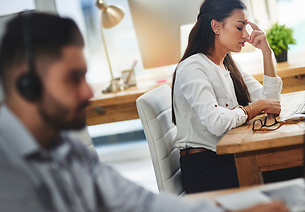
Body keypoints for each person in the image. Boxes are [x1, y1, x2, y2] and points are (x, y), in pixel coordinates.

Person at [0, 11, 289, 212]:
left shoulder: (65, 150)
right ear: (27, 85)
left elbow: (142, 204)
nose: (89, 92)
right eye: (73, 78)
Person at [171, 0, 283, 194]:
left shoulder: (227, 63)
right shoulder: (193, 67)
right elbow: (216, 122)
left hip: (228, 157)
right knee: (289, 170)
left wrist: (266, 52)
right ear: (216, 26)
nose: (245, 35)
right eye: (239, 27)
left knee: (289, 164)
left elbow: (271, 101)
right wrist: (253, 109)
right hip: (205, 171)